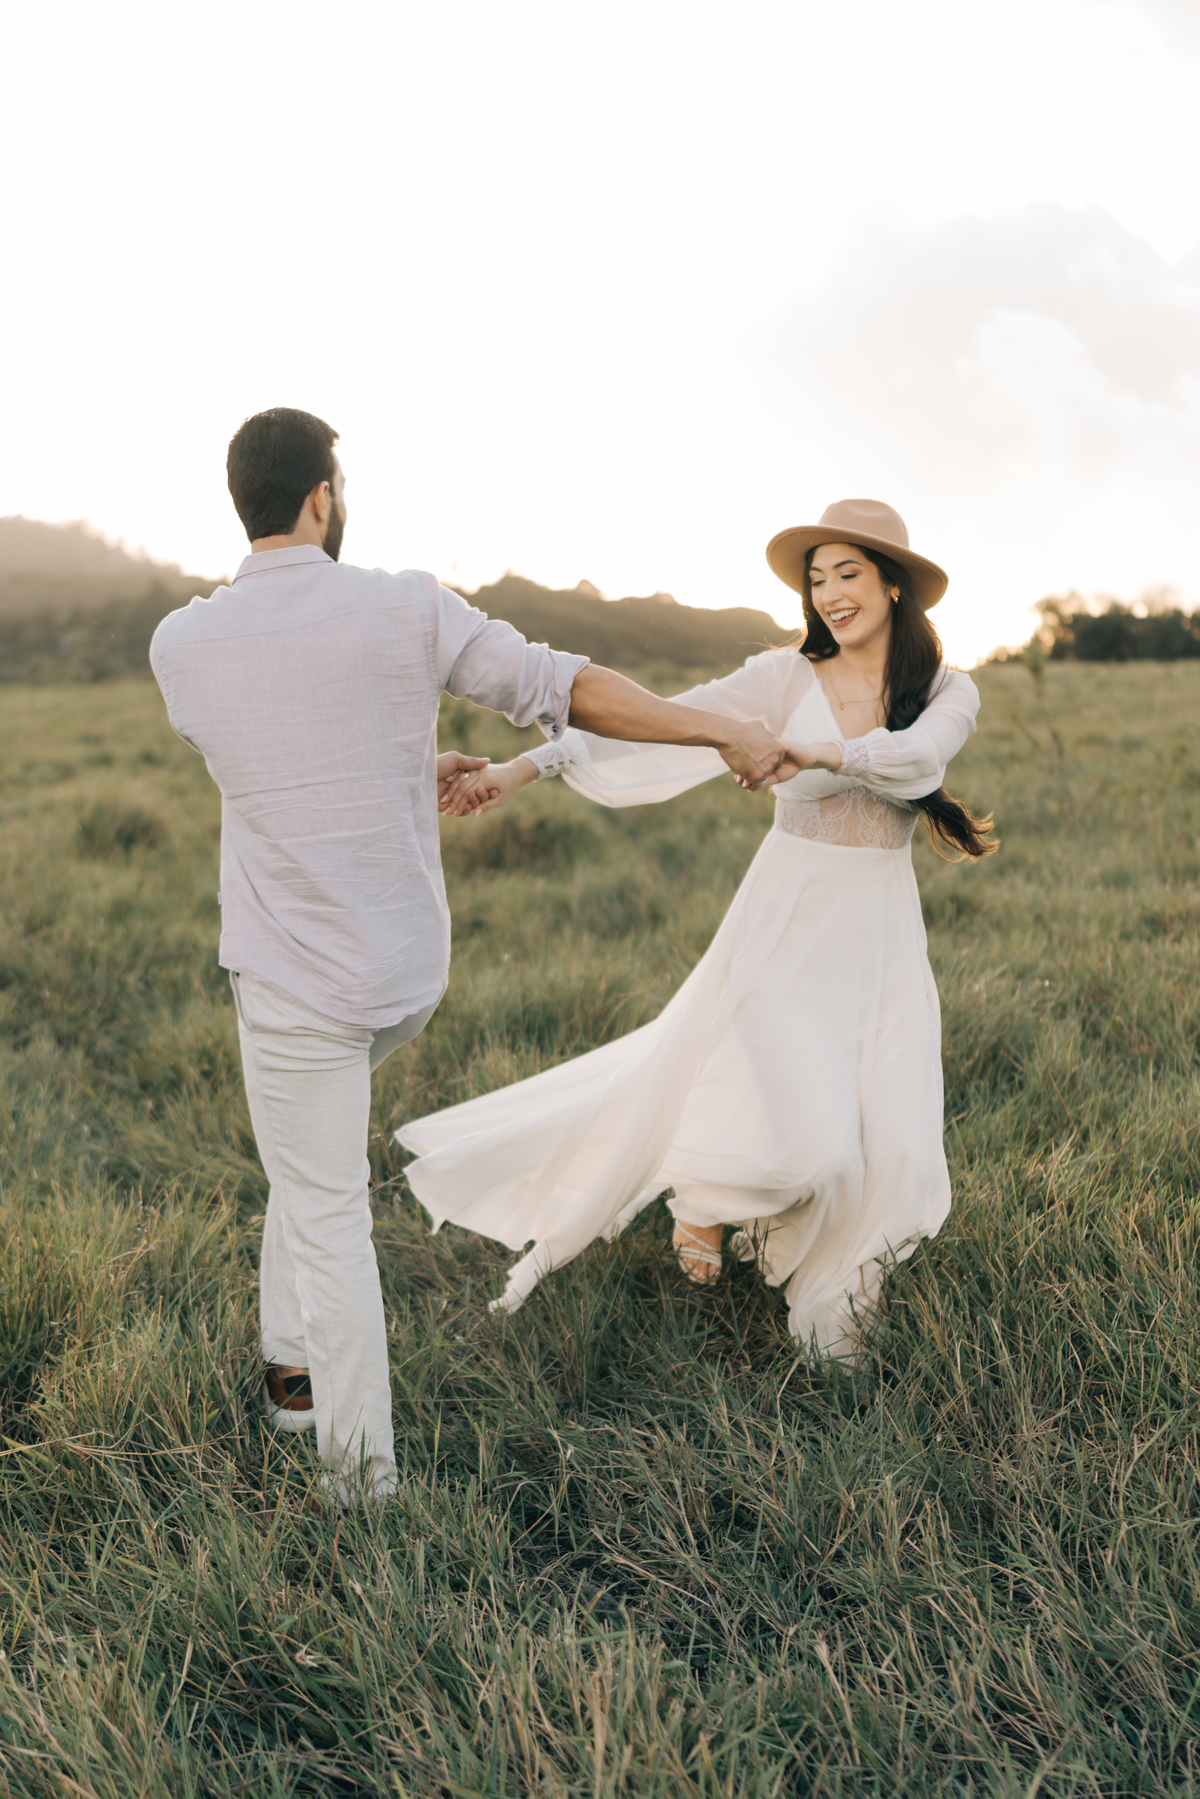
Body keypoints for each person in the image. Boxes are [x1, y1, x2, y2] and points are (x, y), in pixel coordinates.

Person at [148, 407, 785, 1504]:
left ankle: (354, 1479)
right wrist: (711, 727)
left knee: (322, 1194)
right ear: (323, 497)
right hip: (400, 973)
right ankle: (302, 1389)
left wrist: (391, 761)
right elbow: (564, 683)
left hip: (296, 973)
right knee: (309, 1166)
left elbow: (275, 759)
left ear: (243, 502)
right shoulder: (405, 603)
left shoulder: (181, 642)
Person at [399, 499, 995, 1357]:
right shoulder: (784, 678)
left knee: (893, 1141)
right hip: (784, 919)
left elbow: (920, 758)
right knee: (817, 1145)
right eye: (816, 578)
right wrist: (521, 767)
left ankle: (828, 1310)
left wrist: (823, 754)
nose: (828, 593)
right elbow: (664, 728)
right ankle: (704, 1194)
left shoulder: (946, 689)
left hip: (879, 926)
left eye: (848, 574)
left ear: (894, 585)